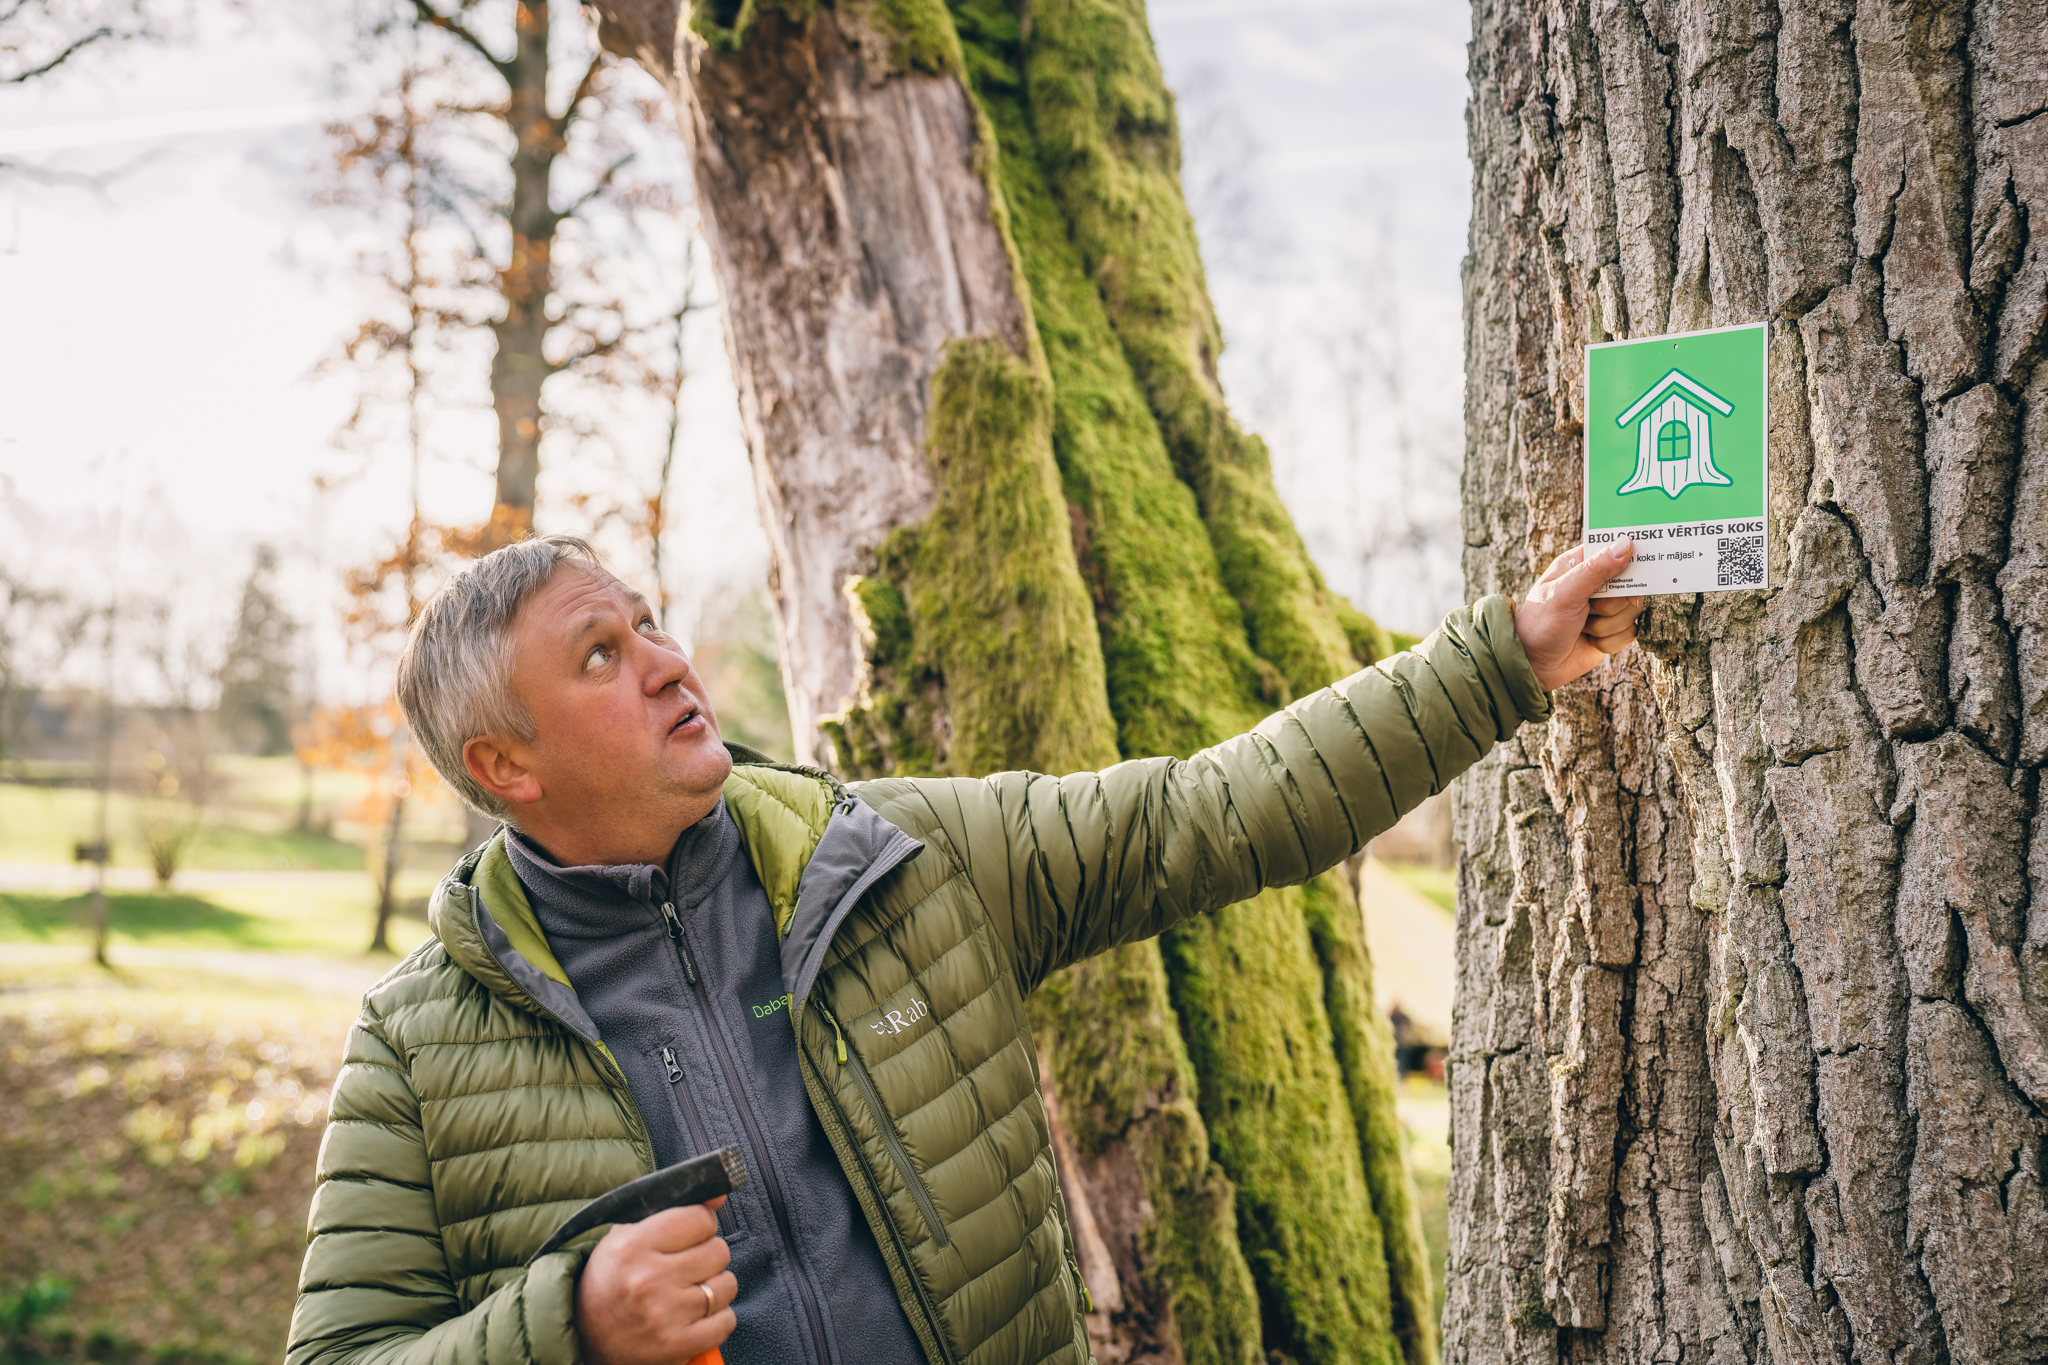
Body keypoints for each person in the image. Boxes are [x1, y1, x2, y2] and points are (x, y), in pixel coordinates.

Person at [286, 533, 1642, 1365]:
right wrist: (566, 1326)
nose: (662, 657)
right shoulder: (420, 1044)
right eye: (599, 653)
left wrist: (1501, 660)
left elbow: (1209, 814)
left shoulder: (899, 861)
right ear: (502, 762)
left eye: (646, 619)